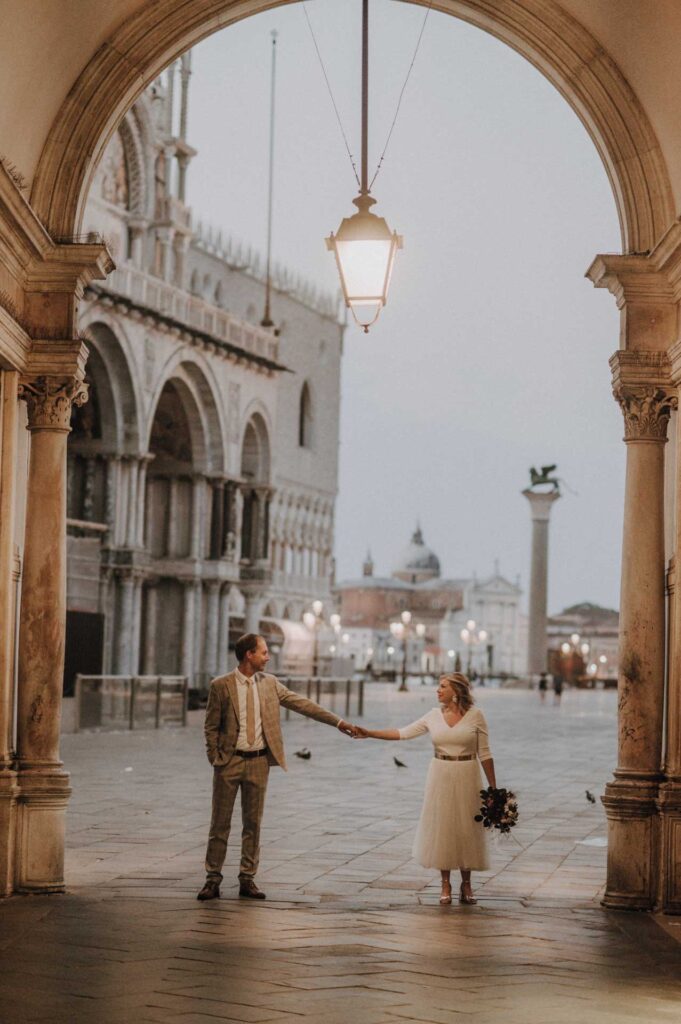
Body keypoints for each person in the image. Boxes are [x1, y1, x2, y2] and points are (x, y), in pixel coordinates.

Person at [198, 633, 359, 902]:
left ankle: (247, 878)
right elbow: (211, 725)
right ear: (249, 654)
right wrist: (215, 757)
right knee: (219, 824)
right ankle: (212, 879)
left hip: (260, 761)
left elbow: (302, 704)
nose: (268, 656)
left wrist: (339, 723)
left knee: (253, 824)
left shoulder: (270, 683)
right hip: (229, 762)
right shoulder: (221, 685)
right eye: (263, 652)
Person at [355, 672, 496, 905]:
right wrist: (369, 733)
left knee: (467, 828)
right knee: (444, 827)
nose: (437, 690)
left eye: (442, 686)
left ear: (457, 691)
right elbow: (402, 733)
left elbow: (485, 753)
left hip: (468, 774)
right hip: (440, 773)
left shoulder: (476, 716)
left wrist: (493, 789)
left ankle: (467, 883)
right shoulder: (433, 716)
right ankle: (445, 884)